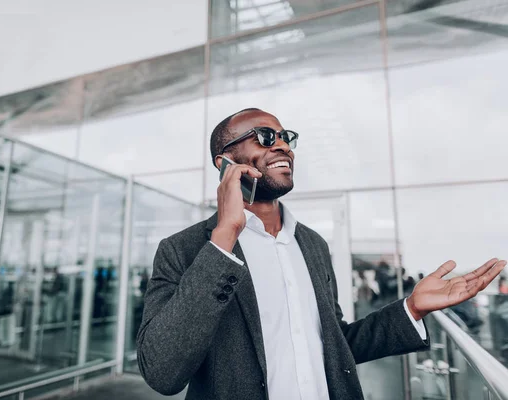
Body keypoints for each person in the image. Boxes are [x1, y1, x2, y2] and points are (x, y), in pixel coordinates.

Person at [136, 108, 506, 400]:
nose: (283, 146)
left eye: (286, 138)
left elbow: (334, 343)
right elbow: (163, 372)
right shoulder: (183, 250)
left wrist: (411, 309)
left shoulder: (312, 244)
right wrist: (223, 239)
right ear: (225, 163)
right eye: (266, 137)